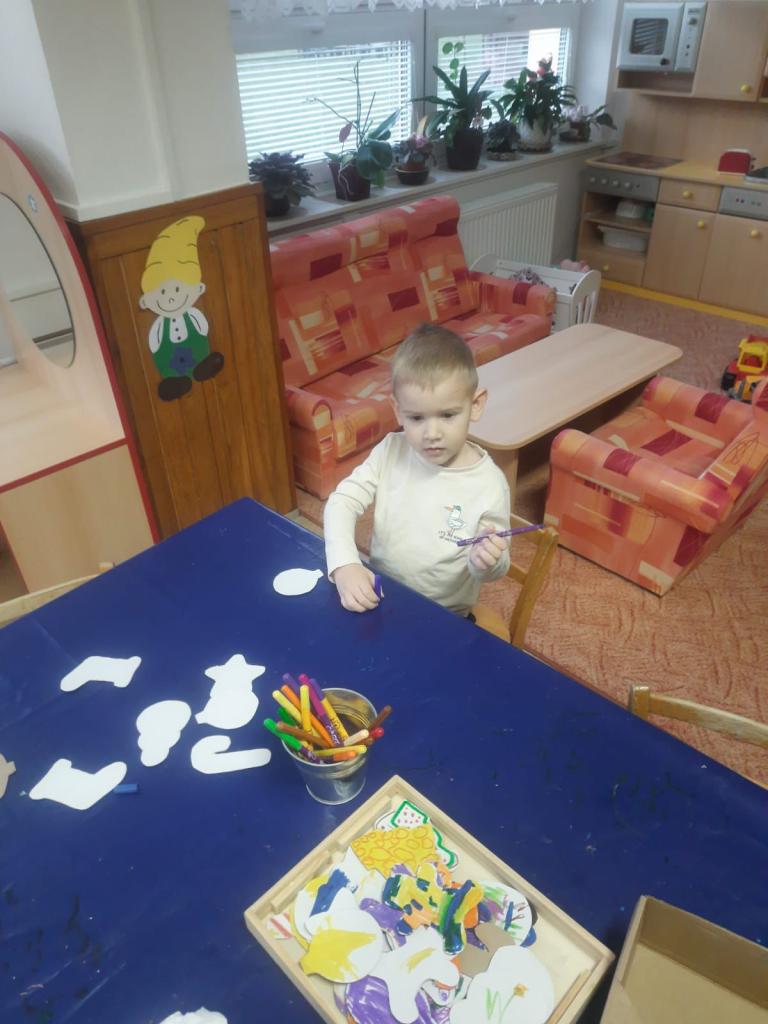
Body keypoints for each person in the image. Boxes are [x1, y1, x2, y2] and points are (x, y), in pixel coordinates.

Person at [324, 324, 511, 616]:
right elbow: (342, 502)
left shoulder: (490, 484)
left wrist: (486, 561)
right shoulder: (391, 450)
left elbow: (495, 568)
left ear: (475, 405)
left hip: (446, 614)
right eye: (416, 418)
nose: (431, 434)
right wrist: (345, 564)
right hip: (383, 594)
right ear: (398, 411)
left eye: (447, 415)